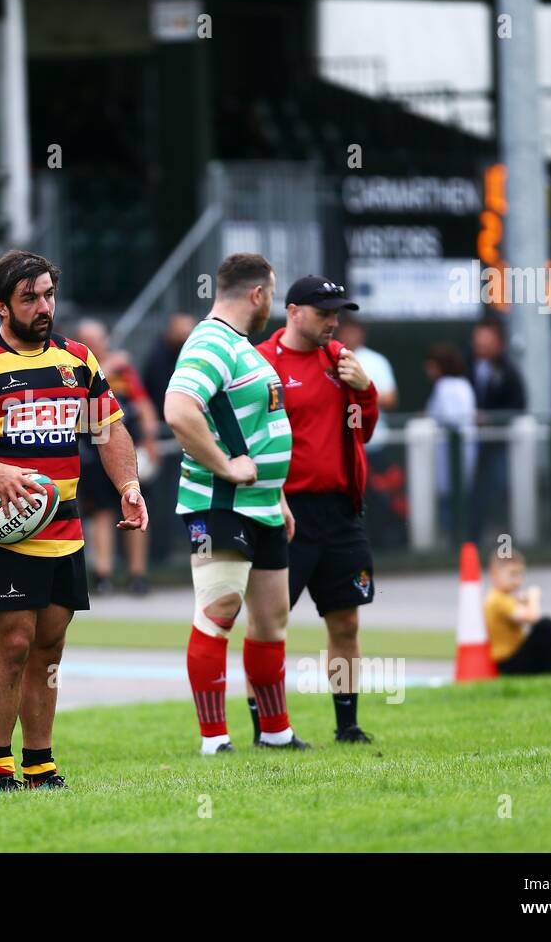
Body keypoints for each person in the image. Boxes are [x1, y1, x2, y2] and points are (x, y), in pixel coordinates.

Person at [0, 249, 149, 790]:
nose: (43, 306)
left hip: (64, 527)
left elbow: (110, 429)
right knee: (12, 644)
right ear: (2, 306)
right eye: (29, 297)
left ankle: (40, 763)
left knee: (49, 645)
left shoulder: (78, 359)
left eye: (48, 295)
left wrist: (128, 485)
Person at [163, 253, 307, 755]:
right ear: (258, 294)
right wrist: (226, 467)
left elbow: (257, 429)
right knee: (218, 611)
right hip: (218, 504)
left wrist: (279, 494)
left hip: (263, 505)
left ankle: (275, 732)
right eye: (272, 292)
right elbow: (179, 409)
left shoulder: (240, 346)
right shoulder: (211, 342)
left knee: (270, 620)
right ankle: (213, 740)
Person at [257, 274, 378, 745]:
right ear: (292, 311)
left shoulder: (341, 362)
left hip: (341, 513)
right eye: (324, 313)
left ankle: (347, 725)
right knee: (270, 625)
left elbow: (362, 432)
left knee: (346, 621)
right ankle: (266, 730)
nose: (333, 322)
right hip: (284, 511)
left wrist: (365, 391)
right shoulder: (264, 361)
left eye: (337, 314)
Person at [76, 318, 159, 594]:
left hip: (126, 448)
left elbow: (143, 404)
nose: (93, 345)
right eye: (87, 339)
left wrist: (149, 439)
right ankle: (103, 575)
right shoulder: (76, 367)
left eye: (97, 338)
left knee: (135, 507)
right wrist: (110, 364)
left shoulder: (125, 372)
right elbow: (87, 390)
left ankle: (138, 575)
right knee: (101, 513)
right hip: (93, 450)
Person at [467, 318, 526, 542]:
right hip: (471, 444)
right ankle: (471, 538)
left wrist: (491, 419)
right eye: (478, 341)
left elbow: (518, 405)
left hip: (498, 443)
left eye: (487, 341)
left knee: (499, 487)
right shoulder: (466, 367)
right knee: (472, 491)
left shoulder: (508, 371)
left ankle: (503, 536)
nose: (481, 346)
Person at [425, 343, 477, 541]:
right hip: (463, 451)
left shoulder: (445, 386)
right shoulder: (463, 384)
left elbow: (450, 419)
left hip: (452, 453)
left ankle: (457, 541)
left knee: (452, 501)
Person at [335, 314, 397, 453]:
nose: (350, 336)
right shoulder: (331, 357)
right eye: (346, 331)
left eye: (354, 331)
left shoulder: (376, 360)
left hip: (374, 441)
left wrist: (362, 390)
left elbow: (390, 400)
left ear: (362, 334)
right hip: (341, 443)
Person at [144, 312, 197, 415]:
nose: (186, 338)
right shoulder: (158, 357)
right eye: (182, 334)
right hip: (165, 415)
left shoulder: (196, 354)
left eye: (188, 333)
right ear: (171, 332)